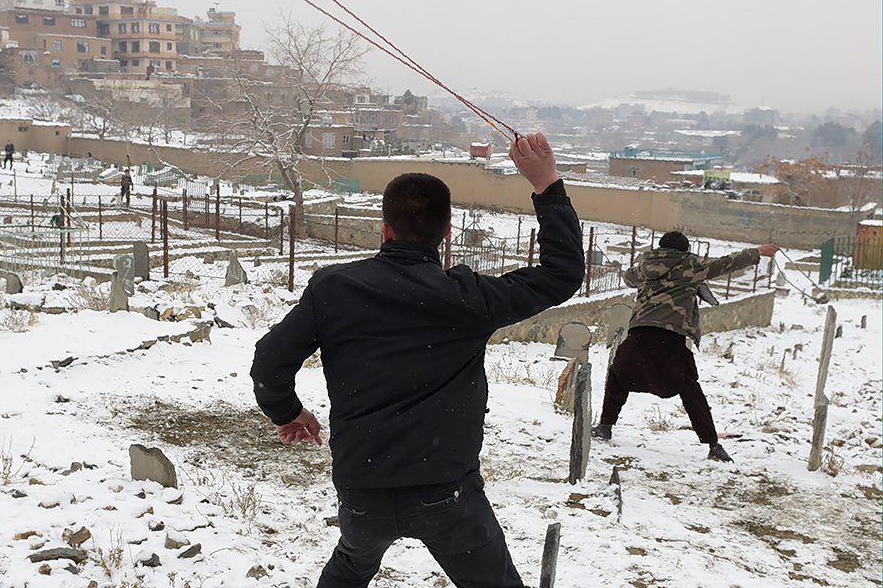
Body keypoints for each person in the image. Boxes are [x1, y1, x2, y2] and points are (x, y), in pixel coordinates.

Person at [251, 133, 584, 588]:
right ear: (445, 234)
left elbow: (270, 361)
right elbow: (560, 273)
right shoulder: (467, 298)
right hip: (445, 493)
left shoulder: (333, 290)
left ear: (384, 229)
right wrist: (546, 184)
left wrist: (289, 412)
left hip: (361, 489)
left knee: (352, 562)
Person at [592, 232, 778, 462]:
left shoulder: (646, 265)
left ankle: (605, 426)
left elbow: (628, 277)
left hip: (640, 332)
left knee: (618, 376)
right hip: (671, 336)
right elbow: (724, 264)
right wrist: (757, 252)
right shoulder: (691, 265)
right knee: (689, 388)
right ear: (685, 250)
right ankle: (712, 444)